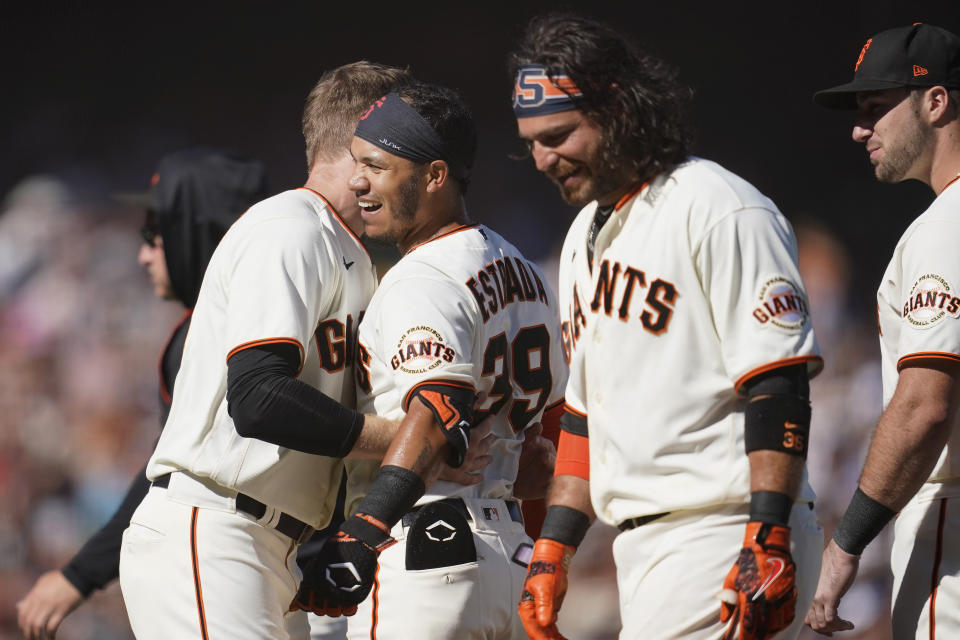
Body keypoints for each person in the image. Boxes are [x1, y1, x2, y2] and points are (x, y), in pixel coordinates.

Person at [509, 13, 825, 640]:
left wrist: (767, 533)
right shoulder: (580, 238)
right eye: (532, 143)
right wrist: (554, 550)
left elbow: (778, 383)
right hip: (647, 544)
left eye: (561, 134)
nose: (543, 158)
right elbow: (583, 417)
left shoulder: (718, 206)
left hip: (722, 527)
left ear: (618, 105)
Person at [116, 62, 419, 640]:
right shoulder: (290, 227)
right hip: (214, 526)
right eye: (401, 142)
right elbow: (257, 399)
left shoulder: (349, 250)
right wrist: (400, 437)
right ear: (363, 144)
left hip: (268, 544)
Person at [289, 81, 567, 639]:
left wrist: (363, 534)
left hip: (424, 550)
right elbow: (550, 447)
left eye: (378, 166)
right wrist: (543, 557)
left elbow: (439, 408)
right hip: (508, 554)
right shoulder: (524, 269)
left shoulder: (424, 275)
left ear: (435, 176)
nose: (359, 181)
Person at [15, 147, 268, 640]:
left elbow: (167, 475)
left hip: (254, 570)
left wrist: (79, 575)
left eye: (156, 234)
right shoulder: (283, 317)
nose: (145, 253)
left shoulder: (214, 337)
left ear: (196, 231)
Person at [808, 23, 960, 637]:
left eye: (876, 107)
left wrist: (845, 546)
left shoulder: (944, 229)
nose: (859, 128)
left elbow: (925, 404)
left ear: (936, 101)